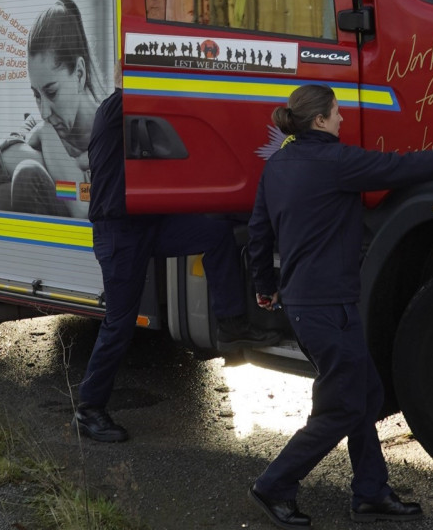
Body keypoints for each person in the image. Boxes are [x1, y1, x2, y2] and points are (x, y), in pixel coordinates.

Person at [245, 84, 433, 527]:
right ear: (319, 121)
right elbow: (404, 167)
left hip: (311, 304)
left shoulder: (277, 165)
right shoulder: (337, 162)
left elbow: (259, 232)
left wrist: (264, 283)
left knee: (365, 394)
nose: (343, 120)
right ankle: (274, 484)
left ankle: (370, 492)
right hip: (325, 307)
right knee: (343, 406)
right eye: (337, 113)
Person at [74, 79, 282, 443]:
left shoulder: (135, 108)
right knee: (119, 325)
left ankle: (231, 324)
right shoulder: (116, 108)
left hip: (150, 223)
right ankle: (89, 410)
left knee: (216, 235)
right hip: (119, 233)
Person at [0, 0, 101, 218]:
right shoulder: (42, 123)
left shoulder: (108, 127)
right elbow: (2, 158)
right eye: (36, 95)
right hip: (61, 198)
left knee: (25, 176)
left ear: (79, 74)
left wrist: (46, 138)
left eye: (51, 92)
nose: (44, 111)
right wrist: (67, 164)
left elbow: (82, 205)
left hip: (84, 239)